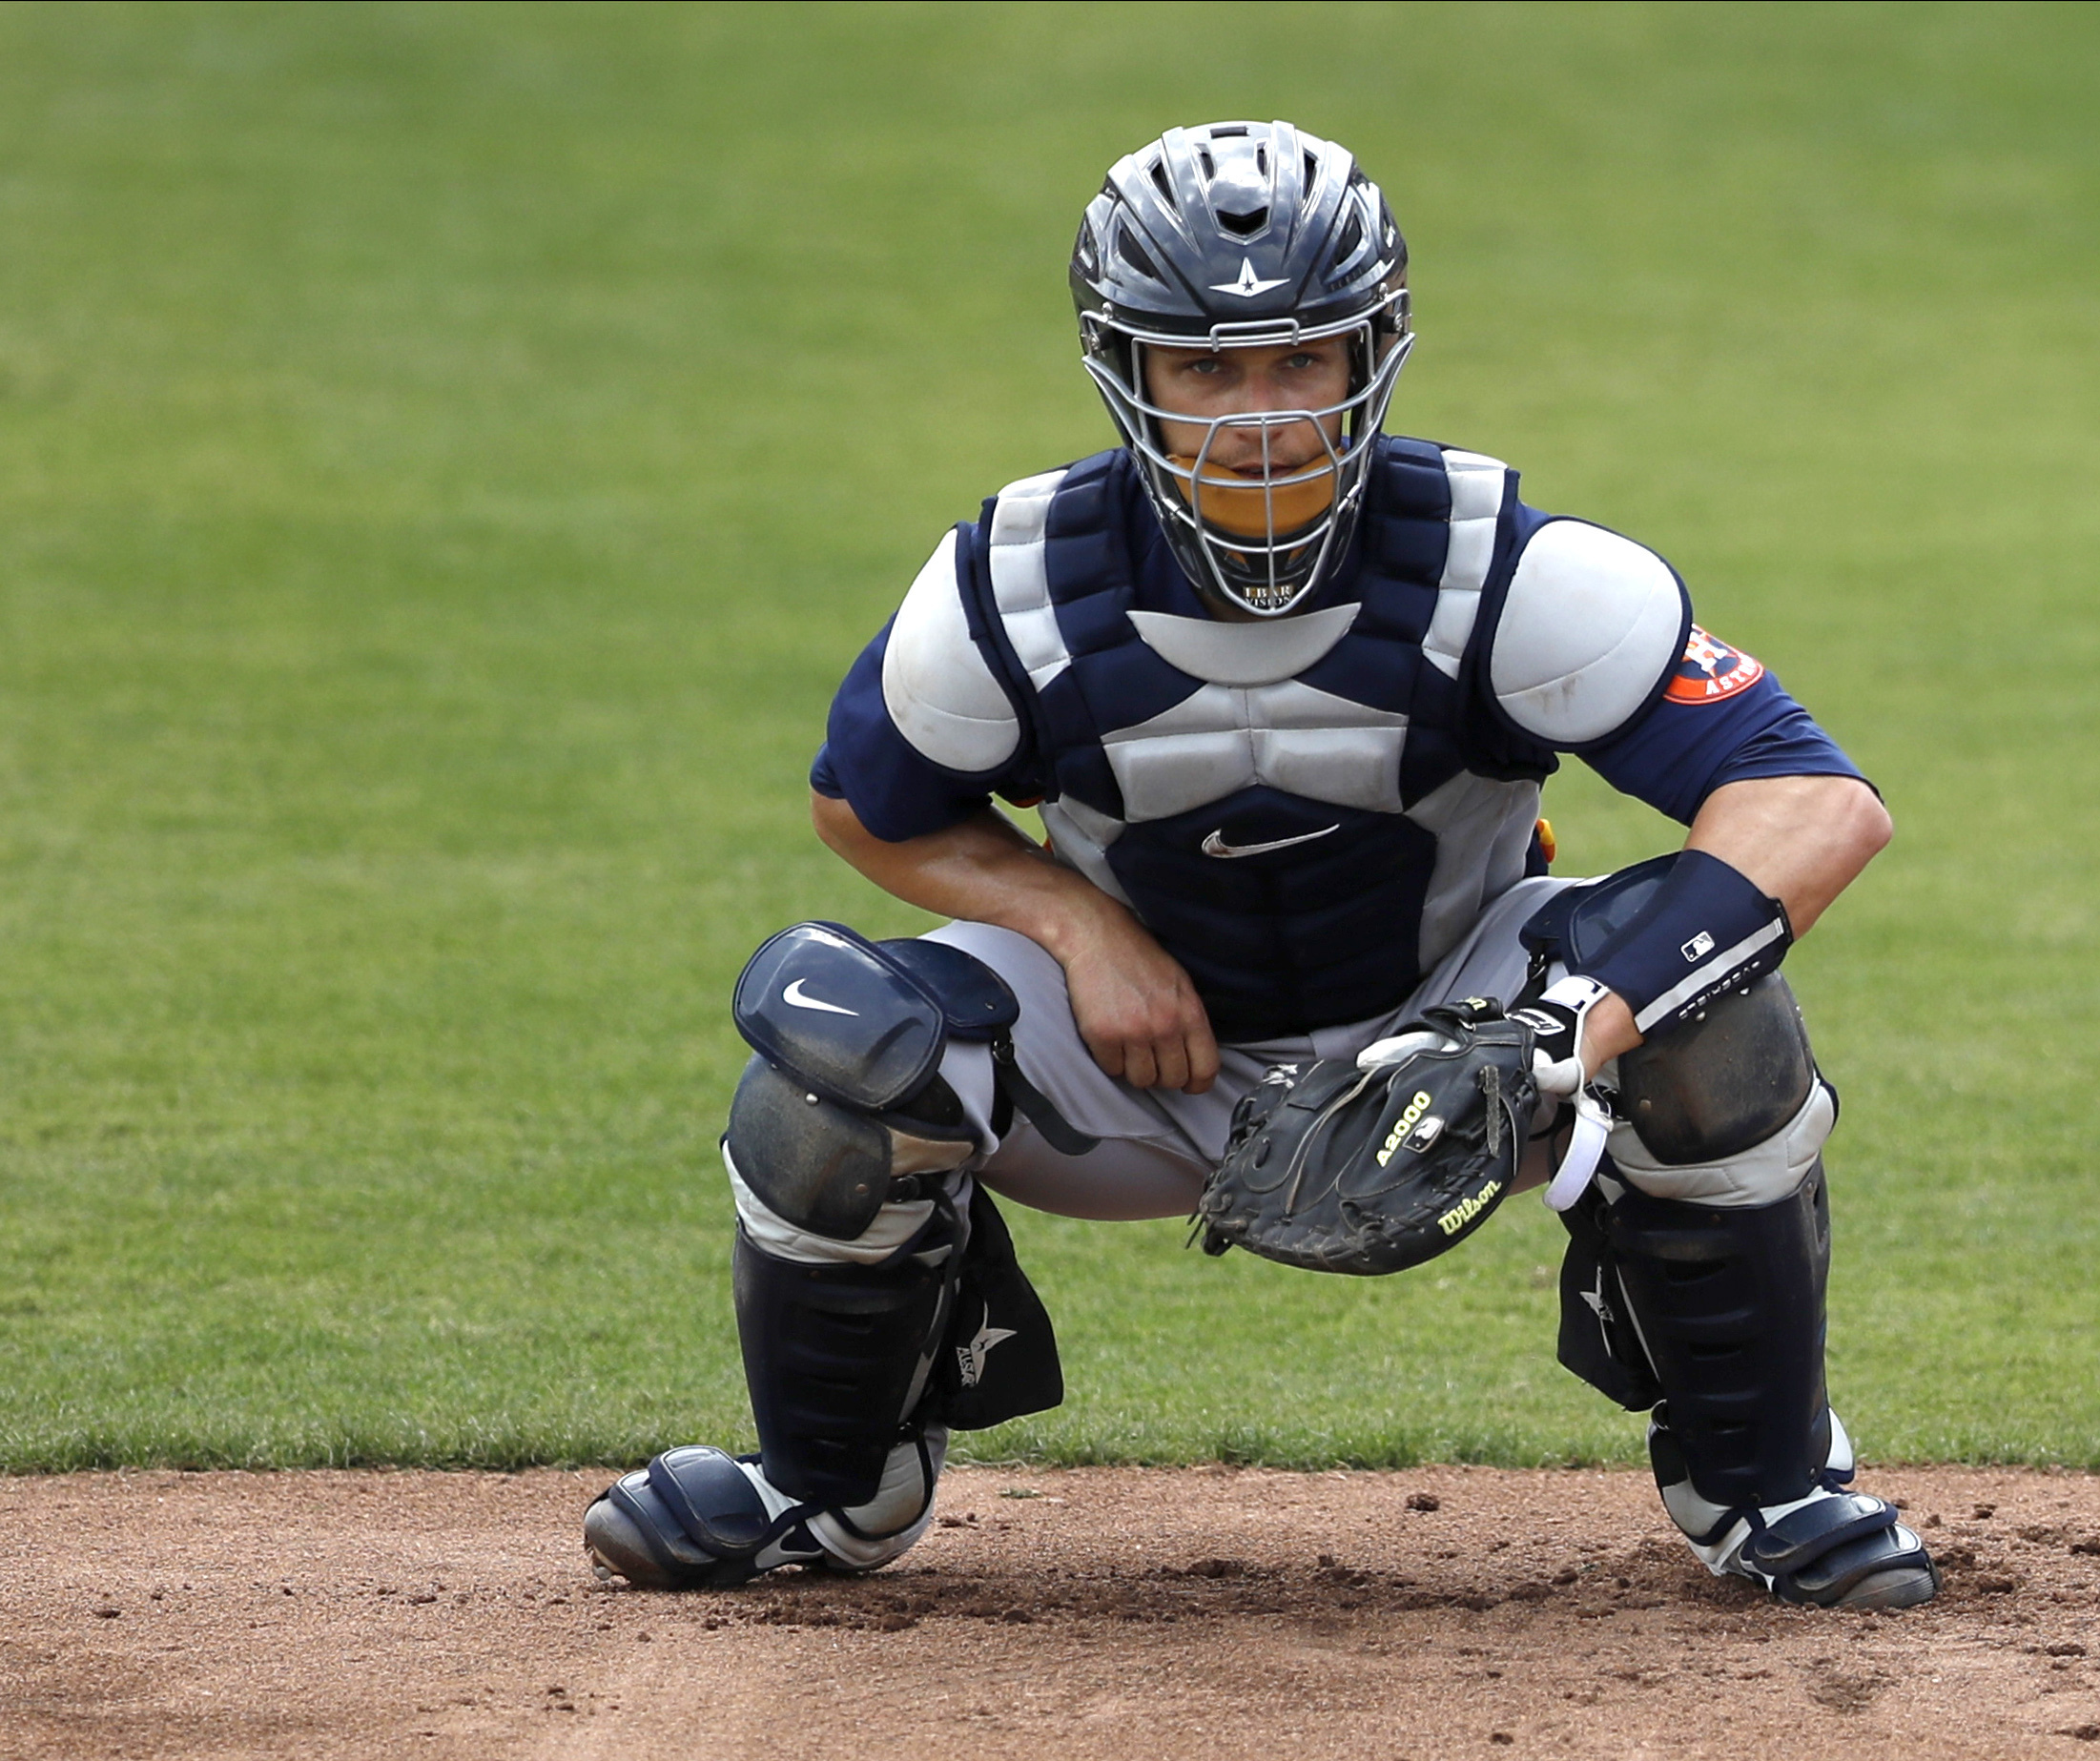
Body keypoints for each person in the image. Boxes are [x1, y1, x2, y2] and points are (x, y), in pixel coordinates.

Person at [584, 121, 1936, 1611]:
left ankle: (1765, 1488)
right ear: (1126, 369)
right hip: (1137, 1070)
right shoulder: (1014, 590)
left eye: (1304, 363)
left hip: (1458, 1025)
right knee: (838, 1055)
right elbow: (869, 808)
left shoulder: (1502, 571)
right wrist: (1071, 922)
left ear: (1374, 357)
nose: (1260, 419)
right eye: (1208, 370)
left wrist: (1561, 1035)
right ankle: (827, 1493)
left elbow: (1811, 802)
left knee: (1705, 1012)